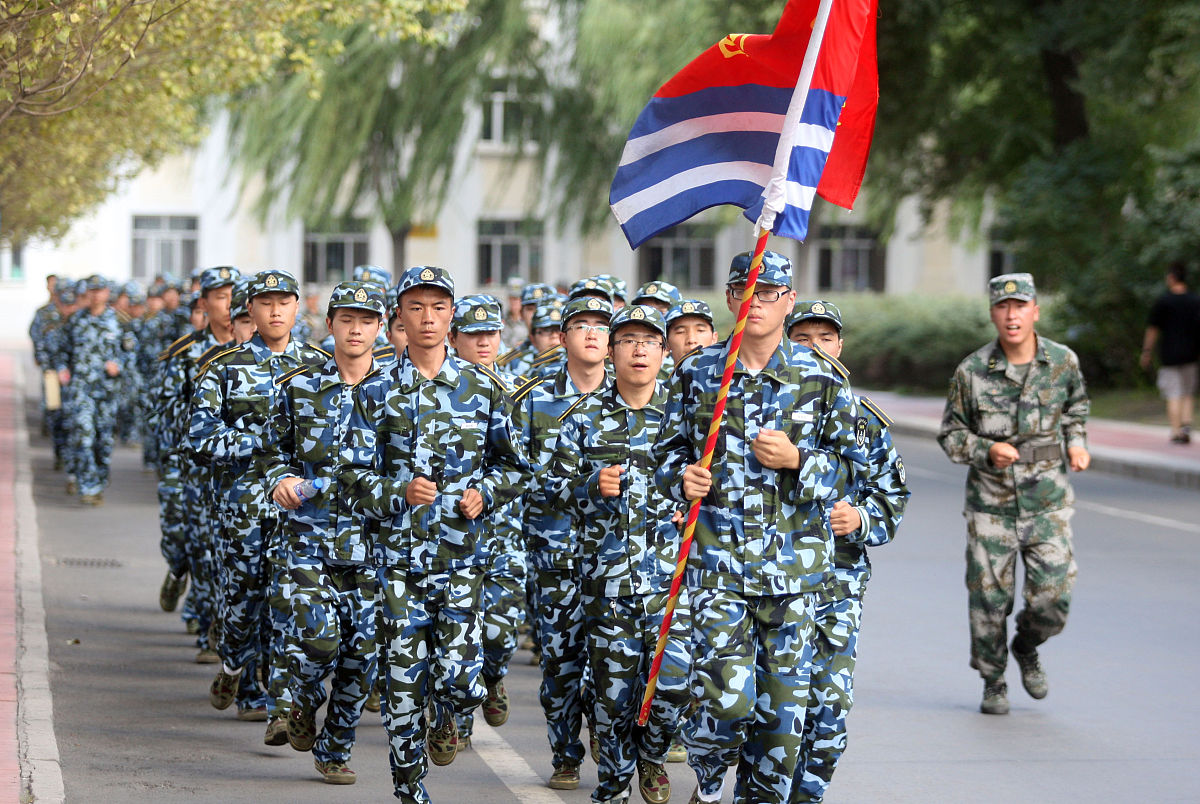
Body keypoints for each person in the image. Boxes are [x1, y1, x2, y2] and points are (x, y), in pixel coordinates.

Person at [654, 250, 865, 804]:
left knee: (780, 725)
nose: (756, 302)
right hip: (717, 566)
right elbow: (662, 453)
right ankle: (706, 771)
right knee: (728, 704)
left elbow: (851, 469)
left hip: (795, 574)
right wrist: (683, 479)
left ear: (788, 302)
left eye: (769, 293)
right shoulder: (700, 373)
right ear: (730, 299)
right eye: (746, 291)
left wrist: (800, 460)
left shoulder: (820, 377)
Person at [344, 265, 532, 804]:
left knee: (460, 678)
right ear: (398, 316)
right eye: (416, 308)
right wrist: (396, 493)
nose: (427, 319)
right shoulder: (375, 390)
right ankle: (409, 789)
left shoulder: (484, 390)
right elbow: (351, 476)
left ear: (452, 316)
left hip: (461, 560)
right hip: (397, 563)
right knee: (402, 688)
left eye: (438, 308)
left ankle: (451, 713)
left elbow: (515, 467)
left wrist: (486, 494)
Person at [548, 304, 688, 804]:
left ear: (663, 351)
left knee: (673, 687)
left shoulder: (688, 419)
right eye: (627, 340)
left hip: (674, 584)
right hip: (606, 583)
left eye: (649, 341)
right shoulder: (582, 418)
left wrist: (694, 501)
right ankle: (612, 785)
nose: (639, 349)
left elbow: (721, 484)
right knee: (613, 697)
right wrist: (590, 485)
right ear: (611, 350)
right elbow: (550, 490)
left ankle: (651, 756)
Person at [938, 272, 1091, 716]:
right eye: (1003, 307)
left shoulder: (1062, 362)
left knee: (1054, 595)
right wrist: (986, 450)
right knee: (988, 598)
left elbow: (1076, 407)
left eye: (1020, 306)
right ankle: (993, 679)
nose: (1012, 315)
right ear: (992, 314)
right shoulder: (972, 371)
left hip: (1048, 501)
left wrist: (1077, 440)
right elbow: (950, 435)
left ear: (1035, 311)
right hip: (992, 505)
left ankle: (1026, 645)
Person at [191, 269, 328, 725]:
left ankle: (276, 704)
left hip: (300, 506)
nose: (274, 311)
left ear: (296, 308)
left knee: (287, 601)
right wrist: (260, 442)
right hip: (244, 506)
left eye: (283, 302)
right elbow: (200, 435)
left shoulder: (319, 366)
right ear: (248, 310)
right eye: (265, 303)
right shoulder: (223, 368)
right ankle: (234, 665)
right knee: (244, 600)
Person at [786, 300, 909, 802]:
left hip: (837, 583)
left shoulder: (866, 422)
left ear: (841, 346)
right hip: (770, 583)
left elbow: (890, 496)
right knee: (767, 708)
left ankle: (806, 796)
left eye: (826, 338)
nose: (816, 347)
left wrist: (861, 518)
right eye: (804, 338)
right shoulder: (761, 411)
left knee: (828, 707)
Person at [266, 281, 388, 785]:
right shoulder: (299, 387)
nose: (355, 329)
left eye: (366, 320)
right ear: (330, 324)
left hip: (375, 545)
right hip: (309, 539)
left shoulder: (402, 394)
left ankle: (334, 749)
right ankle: (302, 701)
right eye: (346, 319)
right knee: (318, 641)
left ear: (381, 328)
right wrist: (282, 479)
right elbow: (272, 450)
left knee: (361, 656)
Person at [511, 295, 613, 791]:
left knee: (615, 659)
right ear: (563, 335)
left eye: (601, 325)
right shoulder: (532, 398)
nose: (592, 333)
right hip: (553, 552)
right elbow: (513, 472)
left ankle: (613, 740)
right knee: (561, 660)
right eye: (581, 325)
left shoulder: (635, 395)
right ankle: (566, 753)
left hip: (618, 557)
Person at [448, 294, 527, 747]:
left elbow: (530, 463)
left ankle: (493, 674)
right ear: (454, 337)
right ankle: (454, 722)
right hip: (451, 537)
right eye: (473, 334)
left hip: (503, 535)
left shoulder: (520, 391)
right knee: (453, 636)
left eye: (491, 334)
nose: (483, 342)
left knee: (498, 632)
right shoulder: (435, 388)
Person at [55, 274, 130, 505]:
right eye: (92, 290)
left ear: (107, 294)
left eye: (101, 290)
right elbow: (61, 349)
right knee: (83, 434)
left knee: (103, 441)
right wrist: (61, 368)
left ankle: (98, 479)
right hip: (81, 389)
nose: (96, 295)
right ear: (87, 293)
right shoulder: (76, 320)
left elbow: (130, 352)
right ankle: (88, 485)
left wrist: (119, 365)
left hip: (107, 391)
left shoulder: (119, 321)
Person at [1140, 261, 1200, 444]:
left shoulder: (1164, 301)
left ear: (1172, 277)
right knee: (1188, 392)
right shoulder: (1195, 300)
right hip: (1192, 354)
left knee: (1173, 393)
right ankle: (1186, 426)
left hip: (1170, 355)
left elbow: (1153, 329)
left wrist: (1146, 352)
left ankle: (1175, 431)